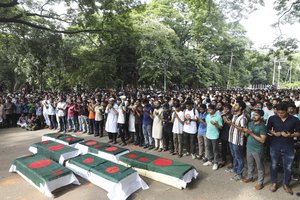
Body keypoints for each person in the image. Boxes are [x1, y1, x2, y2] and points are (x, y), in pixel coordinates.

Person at [267, 103, 300, 195]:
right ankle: (274, 183)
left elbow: (298, 133)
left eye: (282, 113)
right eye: (278, 112)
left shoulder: (294, 119)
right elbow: (268, 129)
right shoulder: (272, 118)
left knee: (288, 167)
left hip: (288, 146)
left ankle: (286, 184)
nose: (280, 114)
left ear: (287, 111)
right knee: (273, 165)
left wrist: (291, 135)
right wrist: (274, 133)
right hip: (275, 145)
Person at [241, 110, 267, 190]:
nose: (254, 116)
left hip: (258, 149)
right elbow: (246, 134)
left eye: (256, 115)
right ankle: (250, 177)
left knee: (260, 166)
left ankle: (260, 183)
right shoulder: (250, 123)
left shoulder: (262, 126)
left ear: (261, 117)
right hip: (249, 147)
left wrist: (250, 133)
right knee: (250, 164)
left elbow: (263, 140)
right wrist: (245, 133)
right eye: (254, 115)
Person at [224, 101, 248, 181]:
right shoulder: (234, 115)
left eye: (236, 105)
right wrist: (228, 122)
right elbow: (232, 125)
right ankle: (235, 169)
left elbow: (243, 129)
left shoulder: (243, 118)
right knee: (234, 155)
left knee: (239, 157)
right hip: (231, 139)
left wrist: (232, 124)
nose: (234, 106)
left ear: (240, 107)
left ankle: (239, 174)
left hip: (237, 141)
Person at [203, 104, 223, 171]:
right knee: (209, 149)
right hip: (208, 134)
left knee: (215, 150)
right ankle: (210, 160)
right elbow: (207, 124)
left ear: (214, 110)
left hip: (215, 136)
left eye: (210, 109)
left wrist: (215, 124)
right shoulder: (207, 116)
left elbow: (221, 127)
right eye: (208, 109)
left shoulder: (218, 117)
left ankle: (216, 162)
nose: (209, 111)